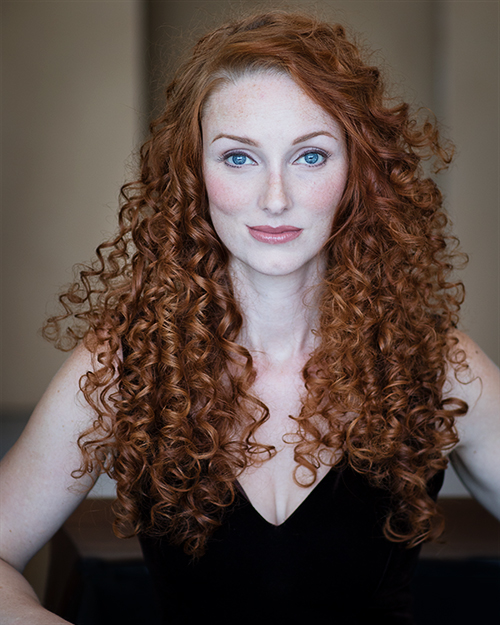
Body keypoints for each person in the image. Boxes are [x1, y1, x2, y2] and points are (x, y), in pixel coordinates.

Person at [1, 11, 499, 625]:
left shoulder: (435, 363)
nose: (275, 197)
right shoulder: (125, 364)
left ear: (357, 172)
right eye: (239, 158)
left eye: (310, 156)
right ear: (194, 173)